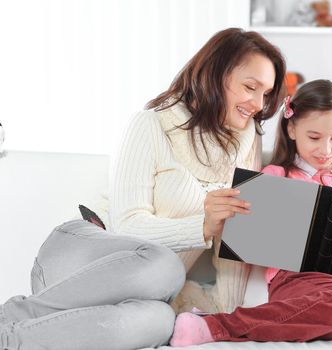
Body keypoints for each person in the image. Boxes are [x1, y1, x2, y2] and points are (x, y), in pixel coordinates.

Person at [0, 27, 286, 349]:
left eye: (266, 94)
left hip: (150, 292)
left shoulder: (247, 144)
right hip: (78, 260)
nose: (258, 103)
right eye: (250, 87)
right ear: (216, 74)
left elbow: (235, 247)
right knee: (165, 267)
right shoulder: (150, 124)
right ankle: (11, 314)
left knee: (161, 322)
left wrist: (227, 315)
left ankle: (10, 339)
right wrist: (203, 225)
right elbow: (127, 226)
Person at [170, 80, 332, 347]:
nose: (326, 149)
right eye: (315, 137)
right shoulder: (276, 177)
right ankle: (215, 325)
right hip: (299, 282)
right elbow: (247, 240)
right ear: (292, 129)